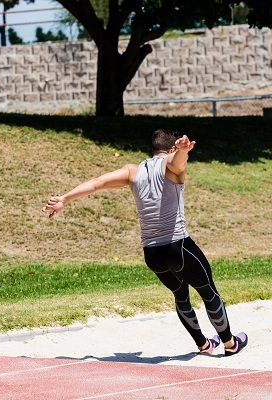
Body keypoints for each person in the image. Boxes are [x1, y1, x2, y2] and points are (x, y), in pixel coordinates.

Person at [42, 129, 247, 356]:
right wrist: (183, 151)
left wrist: (65, 199)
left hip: (152, 254)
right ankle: (229, 344)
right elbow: (177, 163)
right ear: (170, 149)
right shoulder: (171, 164)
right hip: (178, 246)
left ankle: (204, 344)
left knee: (181, 296)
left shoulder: (133, 171)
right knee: (209, 292)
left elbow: (97, 183)